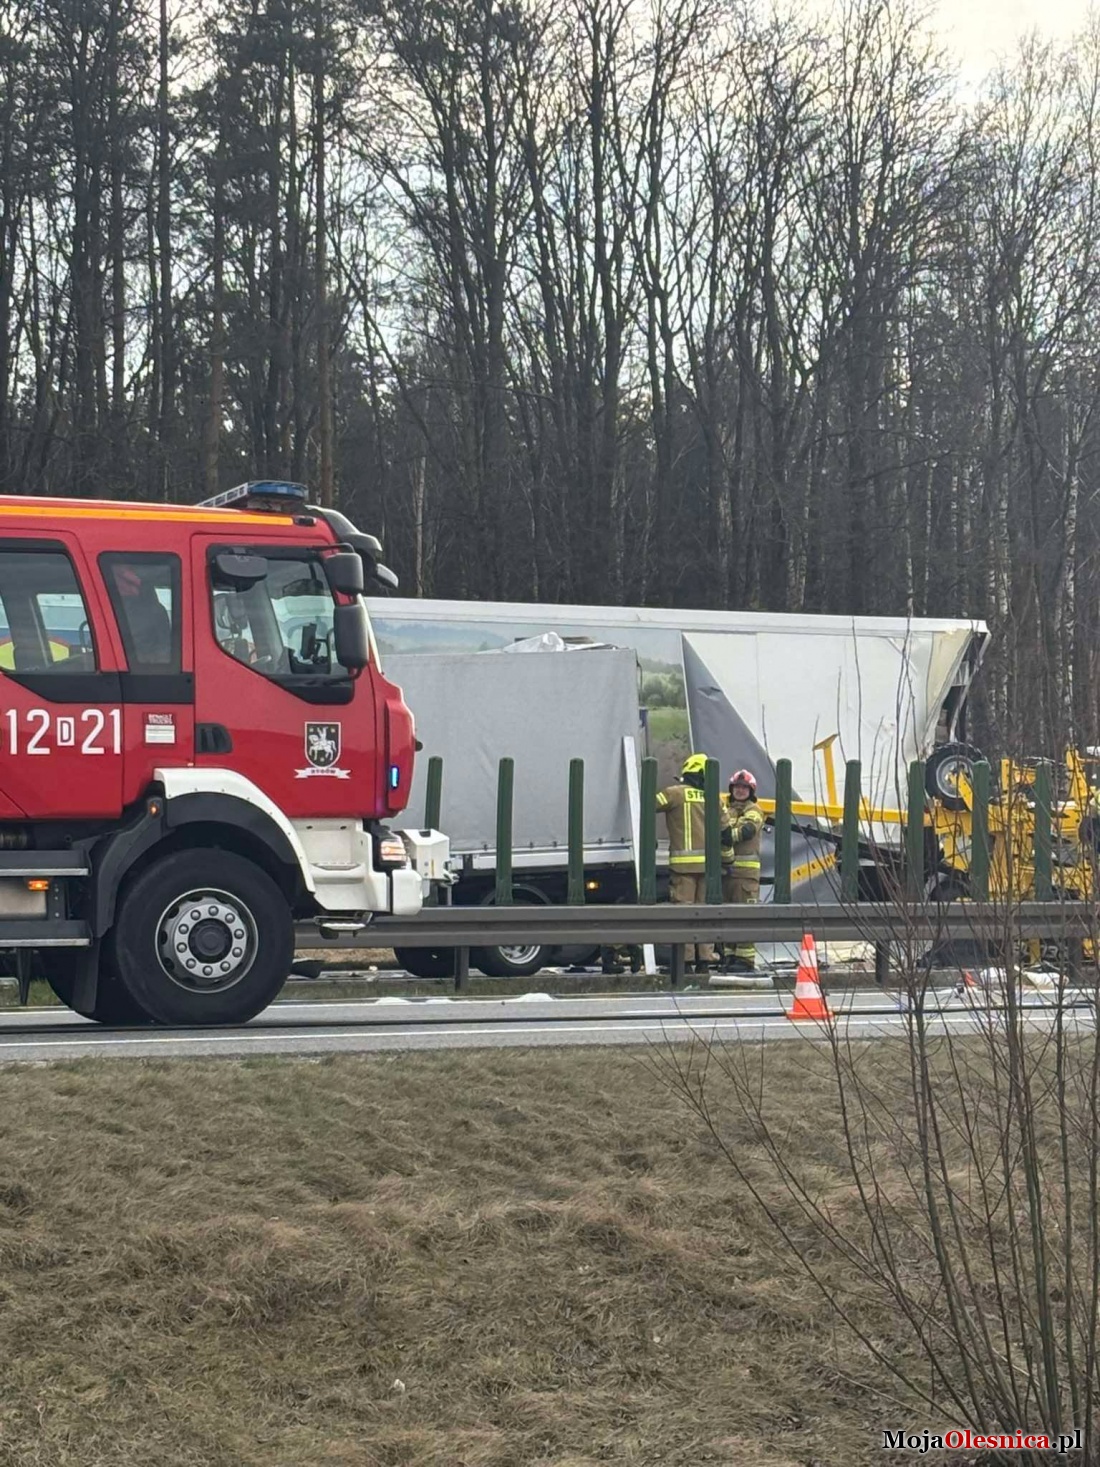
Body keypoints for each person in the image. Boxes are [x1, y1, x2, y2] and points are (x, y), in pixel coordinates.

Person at [656, 753, 730, 973]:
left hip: (683, 867)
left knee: (684, 915)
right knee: (705, 914)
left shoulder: (675, 793)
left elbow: (649, 805)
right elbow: (726, 833)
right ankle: (704, 961)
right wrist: (728, 860)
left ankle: (685, 962)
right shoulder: (714, 799)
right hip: (709, 868)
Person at [721, 768, 765, 972]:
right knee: (728, 917)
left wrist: (726, 836)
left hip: (746, 876)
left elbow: (747, 831)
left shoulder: (753, 810)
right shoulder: (726, 810)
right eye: (737, 787)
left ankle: (745, 960)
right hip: (727, 874)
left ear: (751, 791)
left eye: (744, 788)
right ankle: (730, 957)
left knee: (745, 917)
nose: (740, 790)